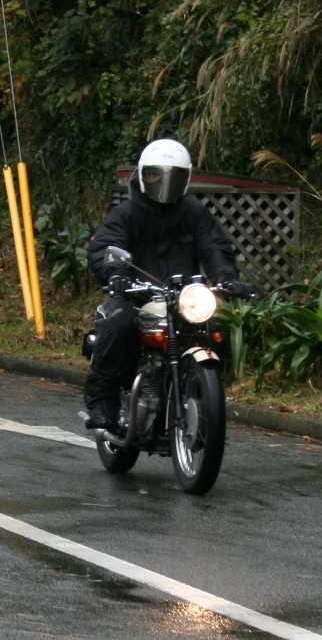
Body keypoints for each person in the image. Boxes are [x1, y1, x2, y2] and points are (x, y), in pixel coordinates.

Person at [83, 138, 253, 430]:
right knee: (119, 325)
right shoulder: (127, 213)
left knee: (213, 327)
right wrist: (115, 273)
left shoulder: (193, 212)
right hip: (135, 292)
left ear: (184, 179)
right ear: (143, 175)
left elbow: (215, 247)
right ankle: (104, 402)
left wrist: (226, 278)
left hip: (182, 295)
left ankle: (201, 391)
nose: (163, 184)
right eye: (155, 176)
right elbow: (107, 244)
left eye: (172, 177)